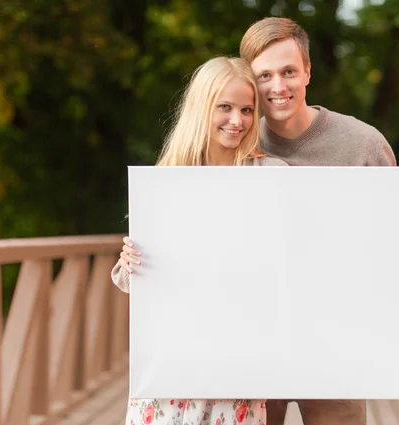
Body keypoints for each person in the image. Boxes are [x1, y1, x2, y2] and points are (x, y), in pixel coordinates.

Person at [238, 17, 399, 425]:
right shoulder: (236, 142)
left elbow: (398, 235)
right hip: (258, 346)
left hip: (338, 346)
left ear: (308, 72)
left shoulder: (363, 144)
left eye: (288, 72)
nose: (277, 87)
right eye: (264, 75)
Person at [112, 56, 286, 425]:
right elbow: (132, 282)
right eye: (225, 107)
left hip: (238, 363)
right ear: (202, 107)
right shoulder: (167, 179)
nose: (237, 121)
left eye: (247, 109)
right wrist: (130, 262)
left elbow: (296, 257)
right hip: (172, 367)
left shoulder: (272, 177)